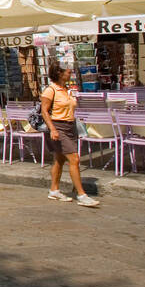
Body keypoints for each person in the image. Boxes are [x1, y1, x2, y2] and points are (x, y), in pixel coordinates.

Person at [43, 63, 100, 207]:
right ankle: (82, 195)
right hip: (58, 127)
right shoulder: (50, 90)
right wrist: (53, 129)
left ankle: (54, 190)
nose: (70, 75)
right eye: (68, 72)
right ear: (60, 73)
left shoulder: (67, 90)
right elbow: (44, 111)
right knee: (74, 159)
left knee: (59, 160)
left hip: (70, 126)